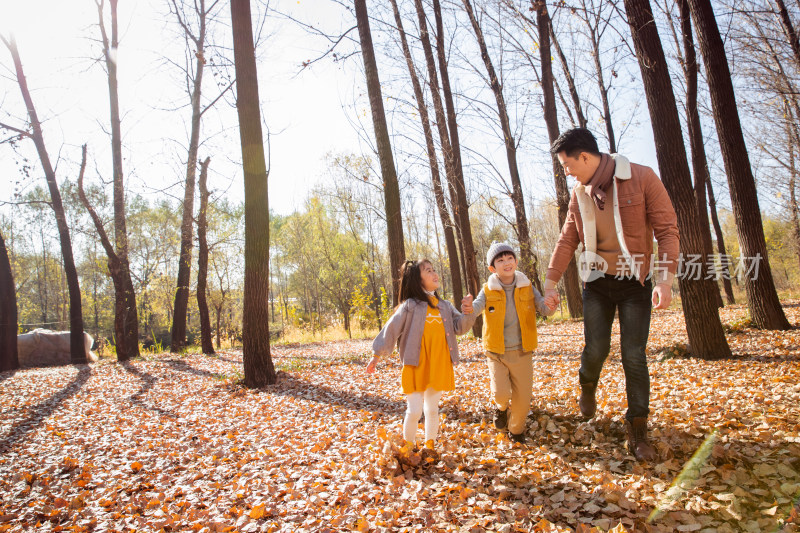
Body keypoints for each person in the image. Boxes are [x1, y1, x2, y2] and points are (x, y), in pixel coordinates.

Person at [543, 128, 679, 462]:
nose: (567, 173)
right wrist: (550, 281)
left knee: (634, 354)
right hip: (597, 283)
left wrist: (664, 279)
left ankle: (638, 431)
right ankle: (587, 385)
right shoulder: (580, 194)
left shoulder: (642, 178)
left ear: (585, 157)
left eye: (567, 165)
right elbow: (567, 239)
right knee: (596, 349)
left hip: (635, 283)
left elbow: (667, 230)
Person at [366, 259, 472, 450]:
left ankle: (429, 446)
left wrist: (469, 311)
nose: (434, 273)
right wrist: (377, 354)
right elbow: (391, 328)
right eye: (428, 271)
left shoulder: (445, 306)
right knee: (414, 410)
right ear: (417, 279)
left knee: (432, 409)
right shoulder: (410, 305)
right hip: (415, 364)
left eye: (434, 269)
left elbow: (460, 327)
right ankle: (409, 447)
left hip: (439, 363)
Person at [461, 242, 555, 444]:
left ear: (516, 261)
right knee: (501, 394)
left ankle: (516, 430)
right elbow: (476, 308)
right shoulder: (488, 290)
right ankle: (501, 408)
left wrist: (551, 304)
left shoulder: (527, 286)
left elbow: (544, 309)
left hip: (522, 351)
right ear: (492, 268)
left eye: (510, 258)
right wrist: (468, 307)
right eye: (500, 260)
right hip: (496, 352)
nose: (506, 263)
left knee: (522, 401)